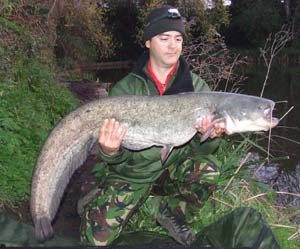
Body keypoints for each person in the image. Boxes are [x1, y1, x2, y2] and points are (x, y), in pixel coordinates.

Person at [79, 5, 224, 246]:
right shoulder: (125, 90)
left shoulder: (198, 88)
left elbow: (204, 151)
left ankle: (170, 211)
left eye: (178, 38)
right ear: (148, 42)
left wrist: (212, 135)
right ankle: (96, 195)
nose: (173, 45)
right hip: (133, 174)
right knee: (95, 241)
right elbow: (117, 160)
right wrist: (110, 151)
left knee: (208, 169)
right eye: (164, 38)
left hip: (173, 167)